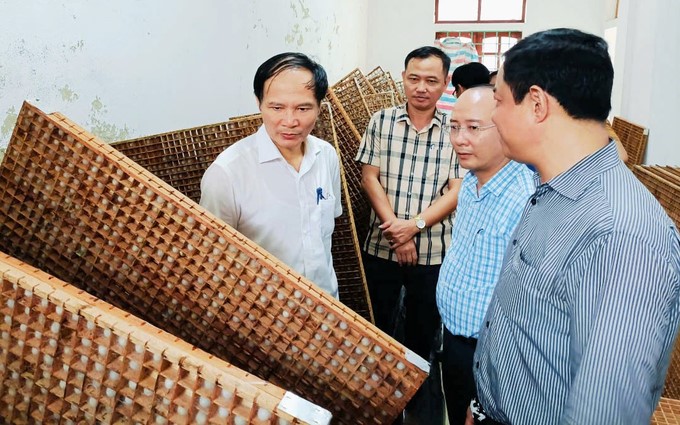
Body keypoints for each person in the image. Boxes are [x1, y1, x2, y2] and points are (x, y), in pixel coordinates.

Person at [469, 28, 680, 425]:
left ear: (536, 104)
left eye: (498, 100)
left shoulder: (620, 235)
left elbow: (604, 410)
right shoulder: (550, 189)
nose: (494, 116)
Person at [355, 45, 463, 423]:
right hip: (380, 247)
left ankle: (414, 401)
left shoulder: (455, 129)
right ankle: (378, 402)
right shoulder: (381, 121)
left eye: (431, 80)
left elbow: (456, 189)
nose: (421, 87)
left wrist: (413, 227)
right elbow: (369, 177)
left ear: (446, 84)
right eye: (414, 78)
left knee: (421, 331)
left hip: (432, 252)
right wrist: (397, 232)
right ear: (403, 78)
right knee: (377, 327)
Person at [200, 52, 342, 298]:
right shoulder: (228, 173)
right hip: (262, 317)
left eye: (303, 108)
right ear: (259, 103)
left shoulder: (326, 156)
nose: (290, 121)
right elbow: (213, 258)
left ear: (319, 106)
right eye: (277, 107)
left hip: (327, 306)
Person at [436, 85, 533, 425]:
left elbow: (527, 303)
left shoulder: (525, 197)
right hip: (456, 341)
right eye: (454, 126)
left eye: (474, 128)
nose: (459, 139)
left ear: (504, 125)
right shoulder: (471, 183)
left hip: (491, 355)